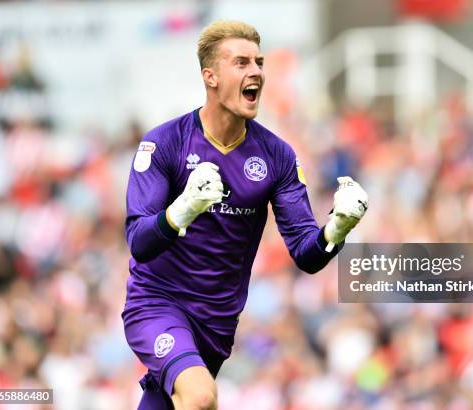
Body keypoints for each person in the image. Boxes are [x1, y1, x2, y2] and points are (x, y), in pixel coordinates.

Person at [122, 20, 368, 410]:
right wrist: (183, 208)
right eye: (241, 63)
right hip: (159, 304)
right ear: (211, 76)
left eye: (259, 62)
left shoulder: (277, 156)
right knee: (200, 397)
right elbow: (138, 241)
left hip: (217, 322)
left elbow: (306, 253)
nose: (256, 71)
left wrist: (337, 227)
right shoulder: (163, 143)